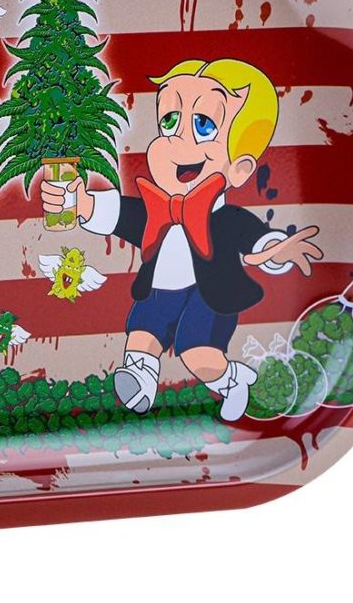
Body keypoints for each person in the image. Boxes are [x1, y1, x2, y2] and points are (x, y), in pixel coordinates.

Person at [41, 58, 322, 421]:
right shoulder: (155, 208)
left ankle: (232, 380)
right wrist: (80, 203)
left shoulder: (227, 219)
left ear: (239, 169)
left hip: (208, 295)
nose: (176, 139)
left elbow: (256, 239)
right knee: (141, 336)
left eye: (203, 125)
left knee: (198, 354)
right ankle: (139, 385)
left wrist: (275, 250)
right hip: (159, 290)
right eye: (169, 121)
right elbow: (121, 214)